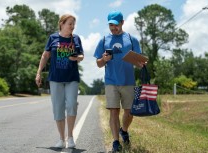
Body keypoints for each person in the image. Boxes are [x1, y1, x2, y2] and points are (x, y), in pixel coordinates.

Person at [94, 10, 144, 152]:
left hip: (128, 81)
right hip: (111, 82)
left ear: (122, 23)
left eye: (116, 25)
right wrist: (104, 59)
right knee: (114, 111)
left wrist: (140, 64)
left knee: (129, 113)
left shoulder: (131, 39)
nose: (113, 28)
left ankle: (124, 130)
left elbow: (138, 60)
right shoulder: (103, 40)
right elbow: (98, 64)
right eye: (111, 25)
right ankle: (116, 142)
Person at [35, 14, 84, 149]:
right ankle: (61, 139)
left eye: (73, 24)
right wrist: (39, 72)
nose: (72, 27)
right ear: (62, 24)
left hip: (71, 78)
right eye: (70, 24)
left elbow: (81, 55)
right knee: (58, 108)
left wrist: (77, 58)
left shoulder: (76, 39)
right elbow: (45, 56)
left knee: (72, 104)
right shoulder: (53, 38)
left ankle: (70, 137)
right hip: (56, 79)